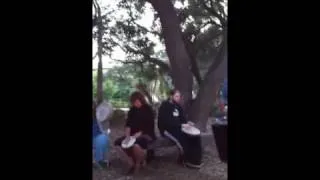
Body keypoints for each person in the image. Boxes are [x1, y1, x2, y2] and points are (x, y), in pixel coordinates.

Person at [158, 89, 202, 168]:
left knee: (194, 137)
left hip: (179, 127)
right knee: (182, 139)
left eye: (179, 96)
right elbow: (166, 122)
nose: (178, 98)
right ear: (171, 96)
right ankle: (186, 160)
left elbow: (182, 118)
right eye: (176, 96)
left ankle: (195, 160)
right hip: (167, 129)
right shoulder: (165, 106)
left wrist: (187, 123)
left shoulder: (178, 106)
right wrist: (181, 125)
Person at [114, 91, 156, 174]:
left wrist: (140, 133)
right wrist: (127, 136)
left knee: (136, 145)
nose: (135, 104)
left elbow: (150, 125)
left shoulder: (148, 109)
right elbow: (128, 125)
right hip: (132, 135)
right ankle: (131, 162)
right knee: (118, 143)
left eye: (137, 101)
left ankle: (139, 162)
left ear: (141, 100)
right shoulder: (132, 110)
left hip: (146, 134)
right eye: (134, 102)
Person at [92, 101, 110, 168]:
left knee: (102, 138)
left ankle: (100, 160)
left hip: (97, 137)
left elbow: (105, 129)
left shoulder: (100, 116)